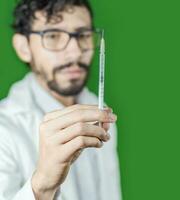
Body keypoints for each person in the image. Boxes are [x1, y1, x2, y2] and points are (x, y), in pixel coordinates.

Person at [0, 0, 122, 199]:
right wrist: (42, 186)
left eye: (83, 35)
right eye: (53, 36)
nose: (75, 52)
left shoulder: (102, 114)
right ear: (23, 47)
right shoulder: (4, 130)